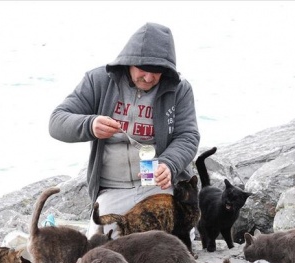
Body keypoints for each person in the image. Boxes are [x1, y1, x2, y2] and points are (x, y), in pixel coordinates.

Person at [49, 22, 200, 238]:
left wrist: (169, 164)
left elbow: (188, 136)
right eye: (143, 70)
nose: (149, 78)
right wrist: (90, 125)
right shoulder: (98, 80)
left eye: (156, 72)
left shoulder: (179, 89)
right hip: (113, 190)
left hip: (159, 188)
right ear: (128, 62)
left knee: (166, 249)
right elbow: (56, 122)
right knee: (102, 254)